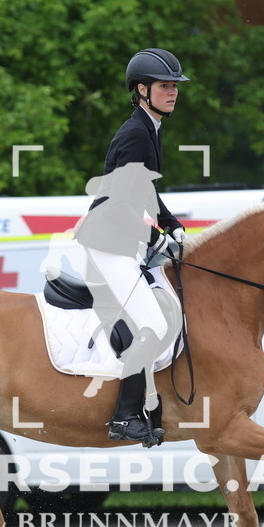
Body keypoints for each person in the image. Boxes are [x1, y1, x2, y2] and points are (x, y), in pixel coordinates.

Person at [73, 48, 189, 445]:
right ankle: (124, 416)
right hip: (107, 245)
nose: (172, 93)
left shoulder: (150, 128)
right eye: (164, 86)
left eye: (174, 87)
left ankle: (152, 406)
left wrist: (170, 223)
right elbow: (121, 203)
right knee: (153, 323)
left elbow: (146, 190)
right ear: (142, 90)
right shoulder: (136, 132)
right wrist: (154, 236)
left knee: (169, 311)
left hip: (121, 243)